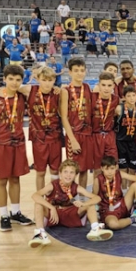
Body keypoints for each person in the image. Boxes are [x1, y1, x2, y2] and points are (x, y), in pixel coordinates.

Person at [0, 65, 34, 231]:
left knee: (16, 178)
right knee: (1, 180)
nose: (14, 83)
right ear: (5, 79)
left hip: (17, 142)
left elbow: (31, 88)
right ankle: (3, 215)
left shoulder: (22, 96)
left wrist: (21, 86)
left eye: (18, 80)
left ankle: (15, 213)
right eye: (11, 79)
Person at [28, 160, 113, 247]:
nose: (68, 175)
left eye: (72, 172)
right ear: (60, 173)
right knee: (38, 204)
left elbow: (97, 198)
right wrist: (51, 208)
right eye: (65, 172)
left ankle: (95, 228)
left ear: (76, 175)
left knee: (90, 204)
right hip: (53, 215)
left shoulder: (76, 187)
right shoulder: (53, 185)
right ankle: (40, 233)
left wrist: (83, 204)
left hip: (69, 214)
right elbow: (35, 195)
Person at [59, 58, 93, 191]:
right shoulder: (65, 90)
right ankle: (69, 196)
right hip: (74, 134)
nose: (80, 73)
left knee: (84, 169)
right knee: (71, 169)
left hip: (87, 133)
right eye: (76, 71)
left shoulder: (87, 88)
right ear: (70, 72)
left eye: (82, 70)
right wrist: (72, 140)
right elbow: (64, 117)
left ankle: (82, 197)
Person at [93, 156, 136, 230]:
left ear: (116, 167)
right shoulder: (98, 179)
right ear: (102, 168)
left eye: (112, 168)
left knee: (135, 185)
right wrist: (95, 217)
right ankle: (134, 218)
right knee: (113, 225)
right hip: (108, 210)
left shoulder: (119, 174)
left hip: (122, 204)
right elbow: (93, 198)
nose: (109, 172)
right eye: (106, 169)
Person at [91, 72, 119, 176]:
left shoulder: (116, 99)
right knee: (97, 169)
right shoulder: (92, 96)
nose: (106, 88)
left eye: (109, 85)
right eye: (103, 85)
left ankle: (112, 190)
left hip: (109, 135)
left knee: (113, 166)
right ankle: (96, 191)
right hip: (95, 135)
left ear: (113, 86)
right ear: (98, 85)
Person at [114, 85, 136, 186]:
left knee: (133, 167)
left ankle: (131, 189)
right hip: (121, 141)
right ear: (124, 97)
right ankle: (123, 189)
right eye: (129, 96)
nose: (132, 98)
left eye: (134, 95)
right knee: (123, 167)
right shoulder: (119, 109)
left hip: (133, 142)